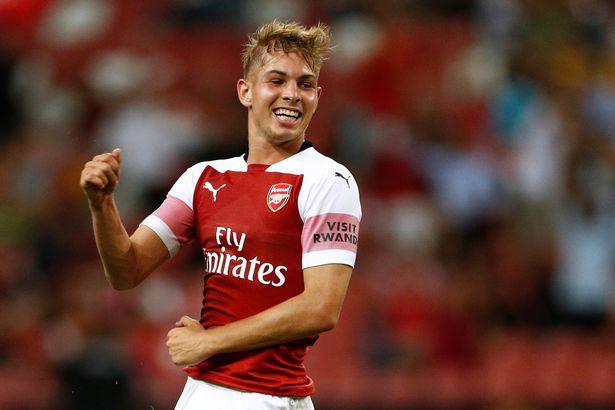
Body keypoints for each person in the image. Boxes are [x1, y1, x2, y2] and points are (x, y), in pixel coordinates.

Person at [80, 20, 361, 409]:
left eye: (305, 84)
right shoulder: (203, 178)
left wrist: (210, 341)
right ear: (246, 91)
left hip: (270, 397)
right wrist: (102, 206)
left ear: (317, 95)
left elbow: (321, 308)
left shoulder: (328, 179)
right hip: (204, 392)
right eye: (277, 80)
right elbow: (127, 271)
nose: (292, 94)